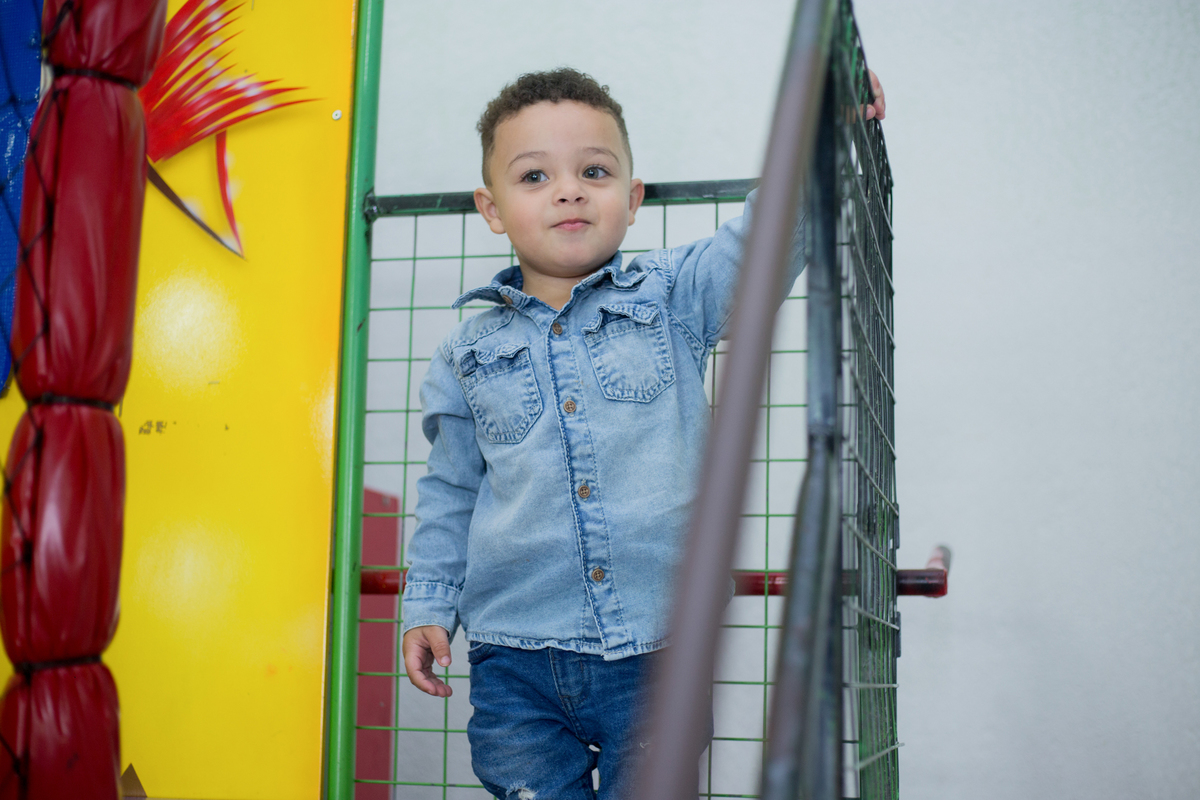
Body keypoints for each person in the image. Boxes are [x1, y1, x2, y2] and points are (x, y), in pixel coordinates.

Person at [400, 67, 885, 800]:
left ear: (631, 201)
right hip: (515, 655)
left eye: (593, 171)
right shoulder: (464, 354)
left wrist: (824, 135)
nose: (568, 189)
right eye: (534, 176)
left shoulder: (672, 298)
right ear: (491, 208)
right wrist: (431, 602)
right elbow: (449, 492)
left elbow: (767, 237)